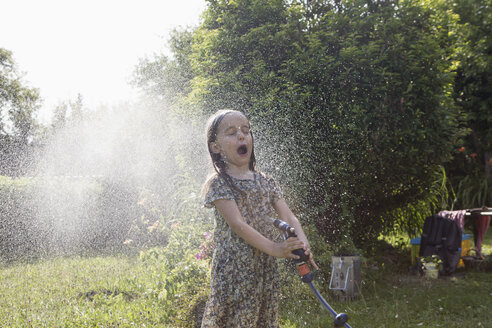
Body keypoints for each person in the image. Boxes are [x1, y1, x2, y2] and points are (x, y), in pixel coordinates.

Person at [201, 109, 317, 328]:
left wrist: (302, 243)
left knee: (264, 318)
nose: (242, 136)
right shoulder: (219, 183)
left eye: (246, 130)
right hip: (235, 269)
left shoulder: (265, 181)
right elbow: (237, 224)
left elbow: (289, 216)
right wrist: (275, 248)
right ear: (215, 147)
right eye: (232, 132)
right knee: (237, 320)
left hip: (264, 265)